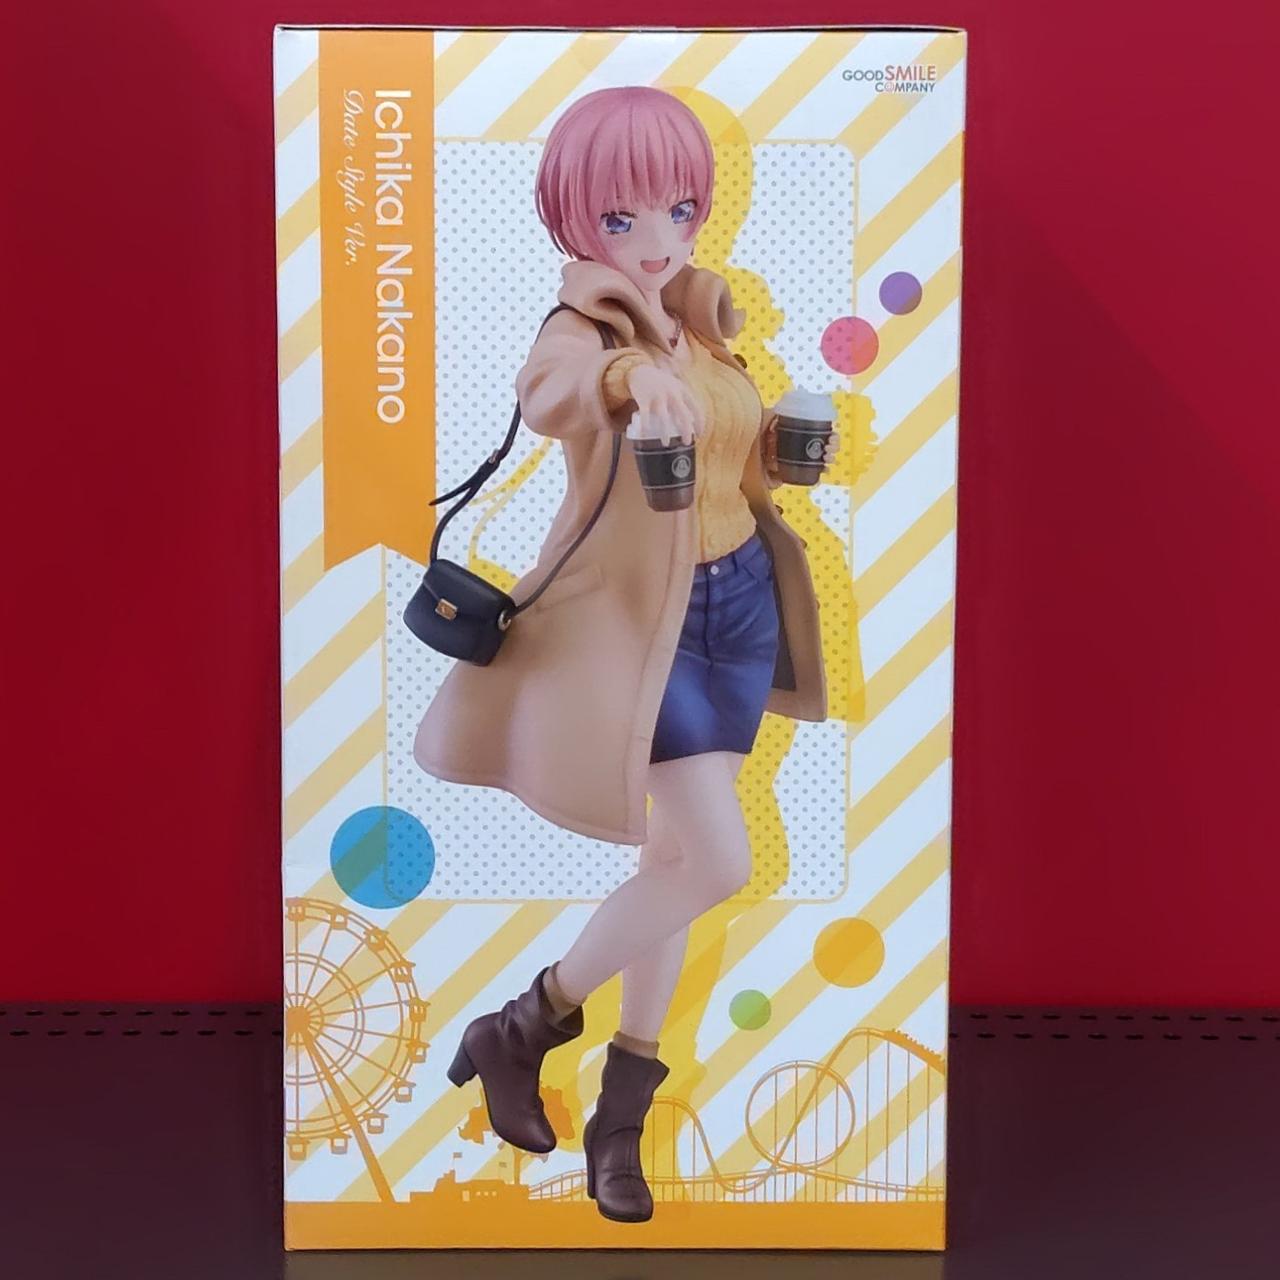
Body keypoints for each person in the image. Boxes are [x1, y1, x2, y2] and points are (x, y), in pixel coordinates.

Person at [413, 85, 834, 1223]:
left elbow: (722, 463)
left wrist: (775, 449)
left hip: (739, 611)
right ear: (573, 218)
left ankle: (618, 1122)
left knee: (674, 866)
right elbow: (550, 391)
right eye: (621, 218)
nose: (656, 240)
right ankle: (523, 1024)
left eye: (678, 210)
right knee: (717, 860)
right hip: (651, 632)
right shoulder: (586, 331)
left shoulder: (700, 322)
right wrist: (623, 376)